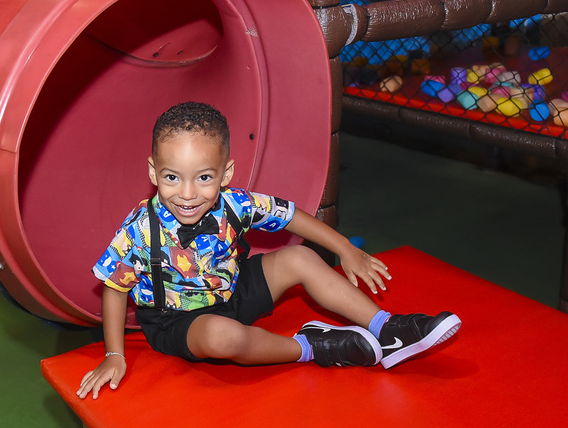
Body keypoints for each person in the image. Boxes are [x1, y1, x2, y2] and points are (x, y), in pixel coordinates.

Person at [78, 101, 460, 399]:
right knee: (223, 337)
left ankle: (386, 328)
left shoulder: (236, 203)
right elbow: (115, 287)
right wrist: (114, 354)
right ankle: (310, 347)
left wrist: (345, 248)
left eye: (204, 177)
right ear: (153, 172)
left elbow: (290, 216)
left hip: (233, 290)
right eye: (172, 177)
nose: (188, 193)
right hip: (177, 320)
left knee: (300, 256)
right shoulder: (140, 228)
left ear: (226, 174)